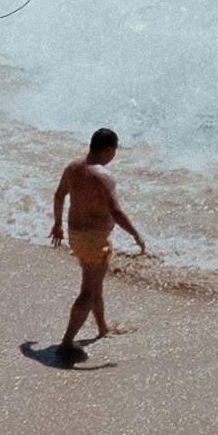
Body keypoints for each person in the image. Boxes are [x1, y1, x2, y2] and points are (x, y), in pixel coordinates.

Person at [48, 128, 148, 360]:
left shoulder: (73, 167)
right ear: (109, 149)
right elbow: (116, 211)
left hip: (76, 235)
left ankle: (102, 328)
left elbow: (59, 195)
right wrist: (136, 235)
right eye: (115, 150)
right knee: (88, 292)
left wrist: (57, 224)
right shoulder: (103, 176)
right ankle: (66, 343)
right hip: (95, 241)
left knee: (94, 284)